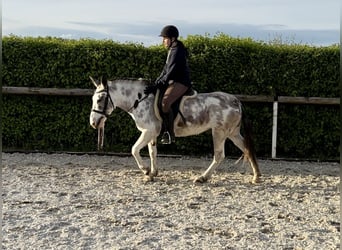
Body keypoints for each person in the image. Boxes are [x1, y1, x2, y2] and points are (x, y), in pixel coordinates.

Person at [144, 25, 192, 144]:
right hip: (173, 81)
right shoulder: (172, 49)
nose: (163, 41)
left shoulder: (177, 51)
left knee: (165, 103)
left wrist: (158, 85)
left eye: (165, 38)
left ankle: (169, 133)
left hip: (181, 82)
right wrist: (156, 83)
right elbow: (165, 71)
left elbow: (170, 73)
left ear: (173, 38)